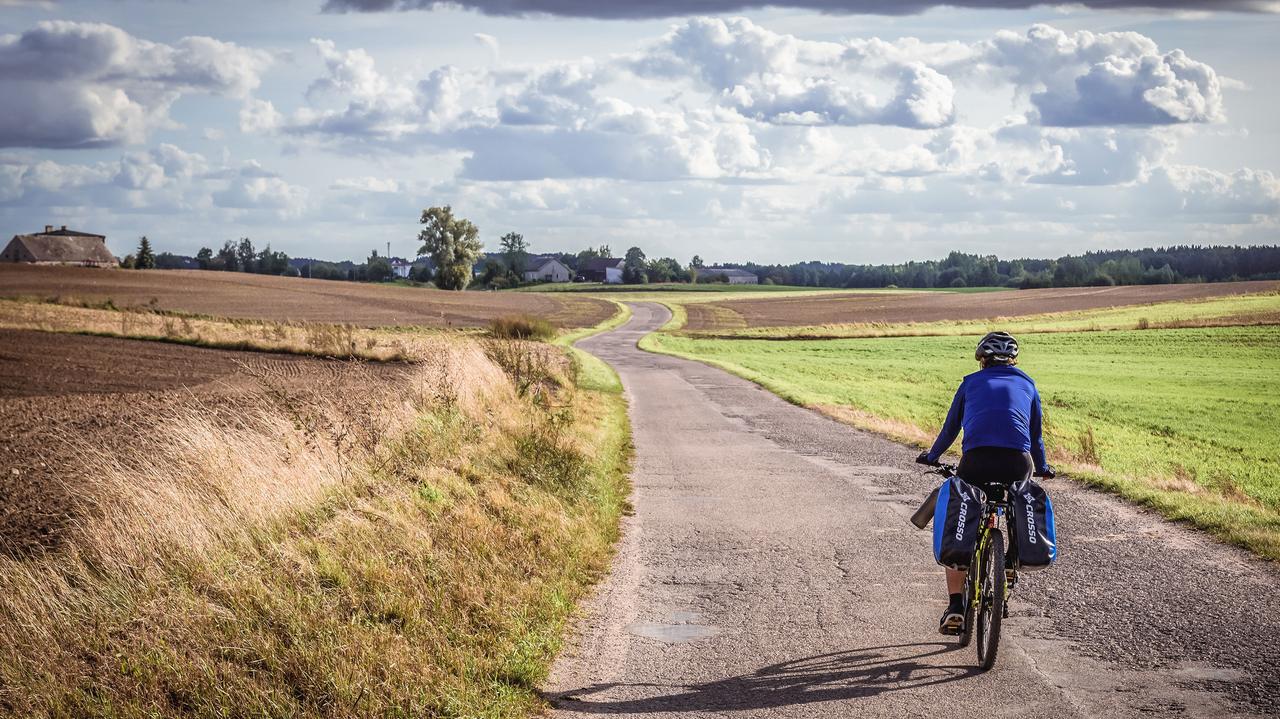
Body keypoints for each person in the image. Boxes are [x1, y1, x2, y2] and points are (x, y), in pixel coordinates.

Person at [915, 331, 1054, 635]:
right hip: (1018, 463)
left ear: (982, 360)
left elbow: (951, 427)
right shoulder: (1028, 383)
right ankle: (1008, 570)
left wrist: (933, 456)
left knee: (959, 521)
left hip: (976, 462)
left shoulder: (970, 383)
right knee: (1016, 503)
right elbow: (1035, 437)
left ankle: (954, 607)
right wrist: (1042, 467)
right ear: (1013, 360)